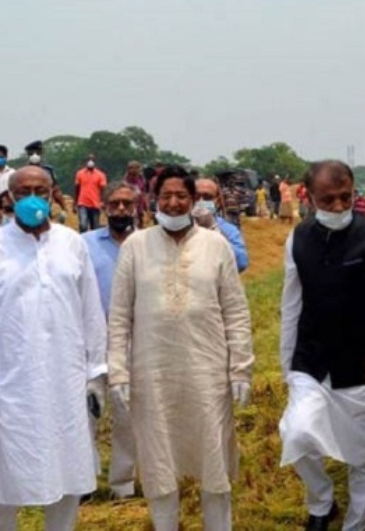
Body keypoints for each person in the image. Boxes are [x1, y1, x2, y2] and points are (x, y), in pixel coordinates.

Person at [0, 166, 107, 531]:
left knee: (68, 473)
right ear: (9, 197)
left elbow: (90, 310)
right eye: (23, 191)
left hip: (66, 380)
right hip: (11, 386)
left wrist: (96, 373)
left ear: (52, 192)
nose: (32, 198)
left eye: (40, 190)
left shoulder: (72, 243)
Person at [108, 165, 254, 530]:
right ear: (153, 200)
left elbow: (236, 311)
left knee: (214, 460)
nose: (173, 203)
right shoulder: (136, 247)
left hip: (207, 371)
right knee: (159, 461)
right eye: (166, 196)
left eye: (181, 196)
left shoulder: (216, 245)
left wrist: (241, 368)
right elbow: (119, 315)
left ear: (193, 201)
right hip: (152, 372)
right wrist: (118, 372)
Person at [278, 161, 365, 531]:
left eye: (345, 197)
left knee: (362, 458)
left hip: (363, 363)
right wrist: (288, 365)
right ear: (309, 198)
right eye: (328, 200)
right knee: (297, 433)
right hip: (312, 361)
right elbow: (291, 304)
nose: (338, 207)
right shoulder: (298, 238)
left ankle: (357, 525)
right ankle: (321, 502)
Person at [81, 182, 138, 499]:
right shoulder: (85, 244)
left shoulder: (147, 243)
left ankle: (123, 483)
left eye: (126, 204)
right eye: (114, 204)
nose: (120, 210)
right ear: (103, 207)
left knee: (127, 413)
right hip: (91, 342)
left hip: (134, 341)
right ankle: (84, 480)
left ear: (136, 207)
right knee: (85, 412)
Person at [193, 178, 249, 273]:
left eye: (207, 197)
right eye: (196, 196)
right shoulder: (179, 226)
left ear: (217, 200)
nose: (201, 201)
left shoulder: (228, 229)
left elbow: (241, 263)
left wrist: (214, 229)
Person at [24, 140, 69, 223]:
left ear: (41, 154)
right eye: (32, 153)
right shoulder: (23, 172)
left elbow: (56, 189)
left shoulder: (48, 170)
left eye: (37, 153)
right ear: (28, 155)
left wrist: (63, 208)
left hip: (45, 207)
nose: (35, 155)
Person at [74, 154, 108, 233]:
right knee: (83, 225)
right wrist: (75, 203)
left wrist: (103, 202)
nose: (90, 161)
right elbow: (77, 189)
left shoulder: (100, 175)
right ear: (85, 161)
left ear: (95, 162)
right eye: (89, 159)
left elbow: (104, 189)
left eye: (92, 160)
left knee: (95, 227)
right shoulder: (80, 173)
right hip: (82, 203)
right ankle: (82, 240)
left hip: (95, 204)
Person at [124, 161, 149, 228]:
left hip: (139, 205)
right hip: (130, 204)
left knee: (140, 223)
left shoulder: (141, 179)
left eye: (136, 168)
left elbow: (143, 192)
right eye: (132, 168)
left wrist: (145, 205)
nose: (134, 170)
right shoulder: (126, 180)